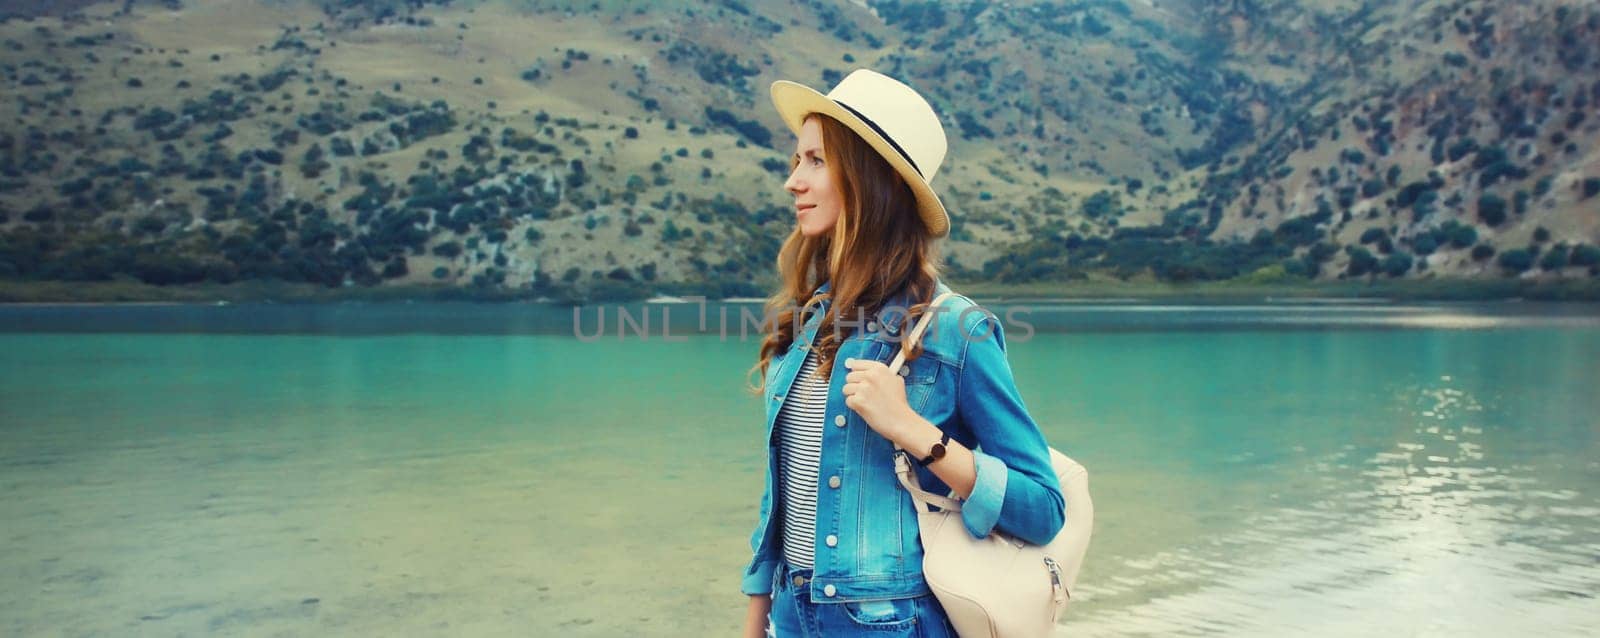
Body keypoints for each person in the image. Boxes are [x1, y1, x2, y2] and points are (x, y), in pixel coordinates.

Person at [739, 69, 1066, 637]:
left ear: (871, 178)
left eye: (815, 161)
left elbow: (1042, 509)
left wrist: (915, 432)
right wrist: (755, 622)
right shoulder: (812, 317)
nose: (793, 181)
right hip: (790, 617)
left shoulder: (958, 329)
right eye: (796, 161)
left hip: (886, 622)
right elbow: (779, 501)